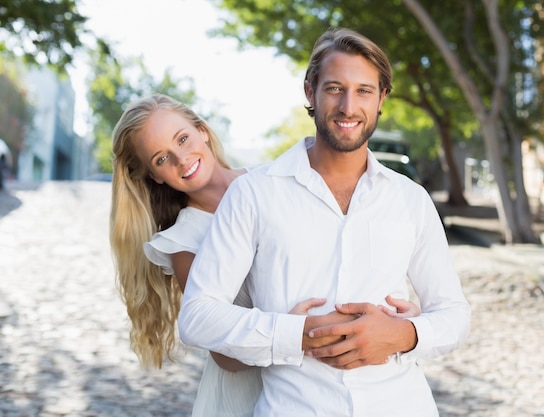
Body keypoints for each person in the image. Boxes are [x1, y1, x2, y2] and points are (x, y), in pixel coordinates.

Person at [178, 27, 471, 417]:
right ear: (309, 92)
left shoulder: (410, 200)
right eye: (335, 88)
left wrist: (404, 334)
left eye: (364, 91)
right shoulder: (253, 194)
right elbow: (197, 317)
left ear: (382, 98)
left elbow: (454, 314)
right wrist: (297, 335)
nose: (349, 106)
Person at [109, 93, 420, 417]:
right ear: (154, 176)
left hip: (320, 387)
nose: (182, 158)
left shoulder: (274, 183)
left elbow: (338, 256)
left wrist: (398, 313)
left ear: (201, 130)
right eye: (161, 159)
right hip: (252, 395)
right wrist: (291, 332)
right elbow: (223, 355)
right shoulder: (185, 243)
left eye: (183, 139)